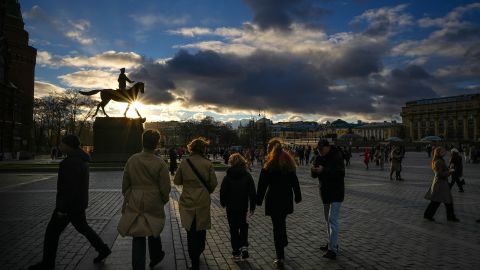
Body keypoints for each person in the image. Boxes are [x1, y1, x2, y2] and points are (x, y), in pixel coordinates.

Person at [29, 135, 111, 270]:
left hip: (68, 206)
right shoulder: (80, 159)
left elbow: (68, 188)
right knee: (83, 228)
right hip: (77, 204)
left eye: (62, 143)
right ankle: (103, 249)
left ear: (69, 146)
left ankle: (47, 264)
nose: (60, 145)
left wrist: (62, 209)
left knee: (51, 233)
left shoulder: (71, 163)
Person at [117, 130, 171, 270]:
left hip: (136, 198)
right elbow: (165, 187)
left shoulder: (132, 159)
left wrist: (129, 195)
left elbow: (125, 184)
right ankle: (156, 256)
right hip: (153, 199)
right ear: (156, 143)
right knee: (154, 227)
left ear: (142, 141)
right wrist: (162, 200)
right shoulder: (160, 163)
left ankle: (138, 266)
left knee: (138, 234)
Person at [256, 138, 302, 269]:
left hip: (273, 199)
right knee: (282, 222)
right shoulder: (288, 162)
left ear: (270, 149)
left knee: (277, 227)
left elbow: (262, 185)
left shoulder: (268, 164)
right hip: (286, 198)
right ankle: (284, 239)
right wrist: (298, 196)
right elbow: (295, 181)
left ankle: (280, 256)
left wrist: (258, 200)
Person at [174, 137, 218, 270]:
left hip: (188, 200)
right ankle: (199, 250)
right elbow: (214, 183)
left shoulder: (184, 162)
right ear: (203, 149)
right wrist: (206, 190)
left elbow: (177, 181)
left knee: (190, 230)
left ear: (191, 148)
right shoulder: (207, 163)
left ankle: (194, 259)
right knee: (201, 229)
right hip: (202, 200)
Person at [311, 139, 345, 260]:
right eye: (318, 149)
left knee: (332, 220)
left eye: (321, 149)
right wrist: (313, 170)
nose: (319, 151)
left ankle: (333, 250)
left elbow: (340, 173)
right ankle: (331, 242)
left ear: (328, 147)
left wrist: (323, 170)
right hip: (325, 193)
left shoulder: (336, 157)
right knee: (327, 220)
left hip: (336, 192)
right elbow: (314, 175)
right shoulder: (319, 157)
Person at [220, 153, 256, 261]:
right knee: (243, 225)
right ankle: (244, 245)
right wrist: (252, 206)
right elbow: (252, 192)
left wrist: (223, 202)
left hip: (231, 206)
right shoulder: (247, 175)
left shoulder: (228, 176)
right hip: (243, 205)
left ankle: (236, 252)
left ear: (231, 162)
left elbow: (223, 191)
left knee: (233, 228)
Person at [423, 147, 460, 222]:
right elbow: (440, 174)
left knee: (437, 201)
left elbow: (443, 170)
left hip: (440, 183)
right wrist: (450, 172)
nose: (444, 153)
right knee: (447, 200)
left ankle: (427, 215)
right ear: (438, 153)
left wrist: (450, 168)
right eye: (442, 151)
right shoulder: (439, 161)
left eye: (444, 151)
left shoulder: (439, 160)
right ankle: (450, 217)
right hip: (441, 184)